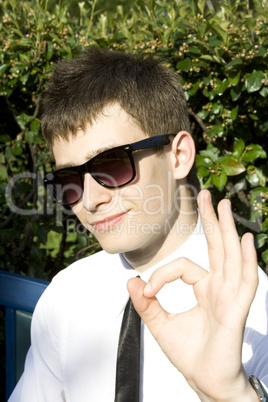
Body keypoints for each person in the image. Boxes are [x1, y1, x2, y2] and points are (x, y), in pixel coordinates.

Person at [9, 47, 268, 402]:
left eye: (113, 164)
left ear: (178, 156)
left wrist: (231, 394)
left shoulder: (253, 308)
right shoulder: (66, 298)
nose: (90, 199)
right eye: (69, 180)